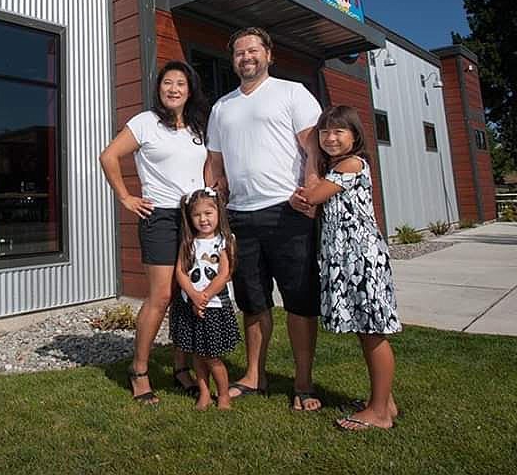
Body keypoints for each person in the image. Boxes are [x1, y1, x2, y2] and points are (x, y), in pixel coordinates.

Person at [203, 27, 325, 411]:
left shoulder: (292, 93)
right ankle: (255, 375)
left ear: (269, 54)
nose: (246, 58)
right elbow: (215, 163)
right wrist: (213, 202)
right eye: (239, 53)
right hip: (240, 217)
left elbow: (313, 148)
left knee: (299, 302)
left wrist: (309, 190)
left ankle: (303, 383)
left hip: (288, 213)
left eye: (253, 50)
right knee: (253, 302)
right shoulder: (222, 107)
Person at [100, 61, 210, 404]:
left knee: (184, 294)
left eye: (180, 83)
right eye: (167, 83)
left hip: (193, 220)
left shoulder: (197, 128)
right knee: (161, 296)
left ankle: (180, 368)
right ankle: (140, 370)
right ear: (159, 89)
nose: (173, 89)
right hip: (159, 218)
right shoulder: (145, 122)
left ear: (189, 90)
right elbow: (109, 156)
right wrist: (125, 197)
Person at [292, 105, 401, 430]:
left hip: (361, 260)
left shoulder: (352, 165)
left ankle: (379, 413)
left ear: (355, 135)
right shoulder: (339, 168)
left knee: (372, 333)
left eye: (339, 131)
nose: (330, 138)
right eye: (324, 132)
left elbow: (312, 196)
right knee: (367, 332)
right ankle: (385, 403)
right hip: (348, 260)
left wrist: (306, 181)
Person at [170, 187, 240, 410]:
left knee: (212, 355)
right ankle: (203, 393)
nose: (203, 219)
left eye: (208, 213)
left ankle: (223, 395)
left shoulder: (224, 241)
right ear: (190, 217)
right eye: (197, 215)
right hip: (190, 305)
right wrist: (192, 295)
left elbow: (224, 274)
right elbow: (180, 272)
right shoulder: (188, 243)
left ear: (218, 212)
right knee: (197, 355)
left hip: (214, 306)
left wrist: (205, 297)